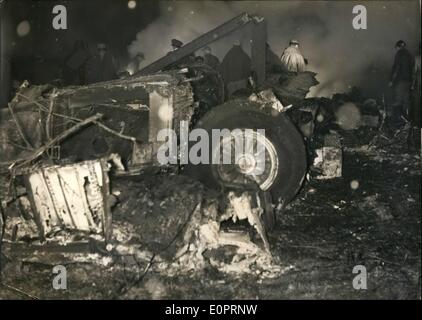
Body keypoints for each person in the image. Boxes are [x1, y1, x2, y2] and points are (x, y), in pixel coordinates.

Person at [388, 40, 414, 126]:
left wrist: (391, 80)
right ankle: (408, 121)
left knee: (398, 100)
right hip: (409, 81)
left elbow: (396, 68)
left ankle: (397, 121)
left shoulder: (399, 54)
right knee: (406, 101)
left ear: (398, 47)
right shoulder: (409, 55)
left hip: (400, 81)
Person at [408, 43, 421, 151]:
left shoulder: (418, 58)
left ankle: (417, 143)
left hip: (419, 87)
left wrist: (412, 86)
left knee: (416, 109)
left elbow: (414, 73)